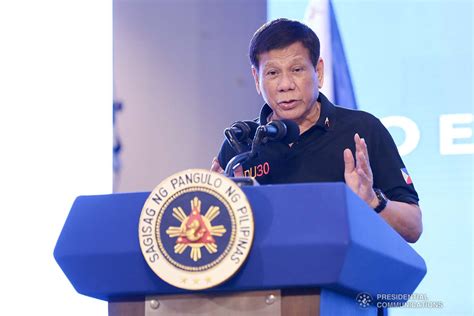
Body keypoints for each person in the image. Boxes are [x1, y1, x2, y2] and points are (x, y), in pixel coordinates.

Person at [211, 18, 422, 243]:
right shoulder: (240, 144)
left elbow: (413, 227)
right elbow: (216, 241)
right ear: (256, 78)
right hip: (266, 276)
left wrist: (373, 201)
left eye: (297, 69)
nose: (285, 85)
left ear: (318, 72)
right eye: (272, 73)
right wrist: (216, 206)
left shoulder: (362, 130)